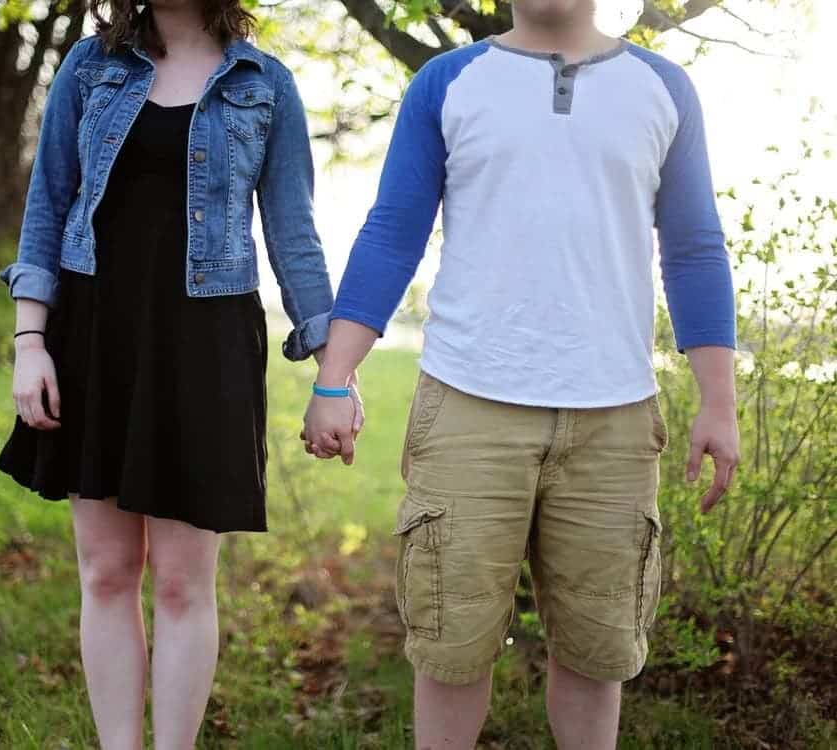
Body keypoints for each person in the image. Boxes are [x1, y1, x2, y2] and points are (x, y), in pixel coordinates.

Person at [303, 0, 740, 747]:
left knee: (598, 653)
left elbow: (695, 248)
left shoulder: (663, 88)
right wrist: (335, 376)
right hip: (469, 409)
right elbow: (393, 229)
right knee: (450, 646)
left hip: (615, 420)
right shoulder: (448, 81)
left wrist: (717, 402)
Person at [0, 1, 347, 747]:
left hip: (206, 340)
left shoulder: (264, 83)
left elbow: (293, 230)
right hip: (94, 332)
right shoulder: (90, 68)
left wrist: (333, 373)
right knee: (107, 572)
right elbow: (47, 205)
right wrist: (31, 340)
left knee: (186, 581)